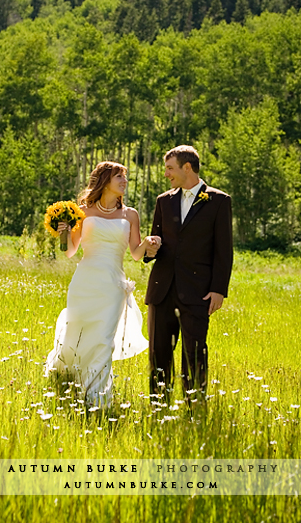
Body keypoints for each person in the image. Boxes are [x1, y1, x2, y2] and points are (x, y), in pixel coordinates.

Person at [44, 161, 159, 407]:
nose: (124, 182)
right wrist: (64, 232)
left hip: (113, 285)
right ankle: (67, 379)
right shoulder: (82, 211)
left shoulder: (131, 215)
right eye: (120, 177)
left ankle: (98, 397)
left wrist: (148, 243)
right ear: (106, 180)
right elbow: (69, 251)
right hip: (85, 281)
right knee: (78, 332)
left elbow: (136, 254)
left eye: (125, 178)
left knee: (104, 339)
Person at [144, 145, 233, 395]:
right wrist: (151, 248)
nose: (166, 174)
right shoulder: (164, 201)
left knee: (194, 352)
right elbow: (157, 241)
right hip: (162, 290)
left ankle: (195, 407)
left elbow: (223, 251)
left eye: (170, 168)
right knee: (158, 352)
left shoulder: (219, 201)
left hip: (198, 292)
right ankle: (158, 404)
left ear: (187, 167)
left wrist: (218, 290)